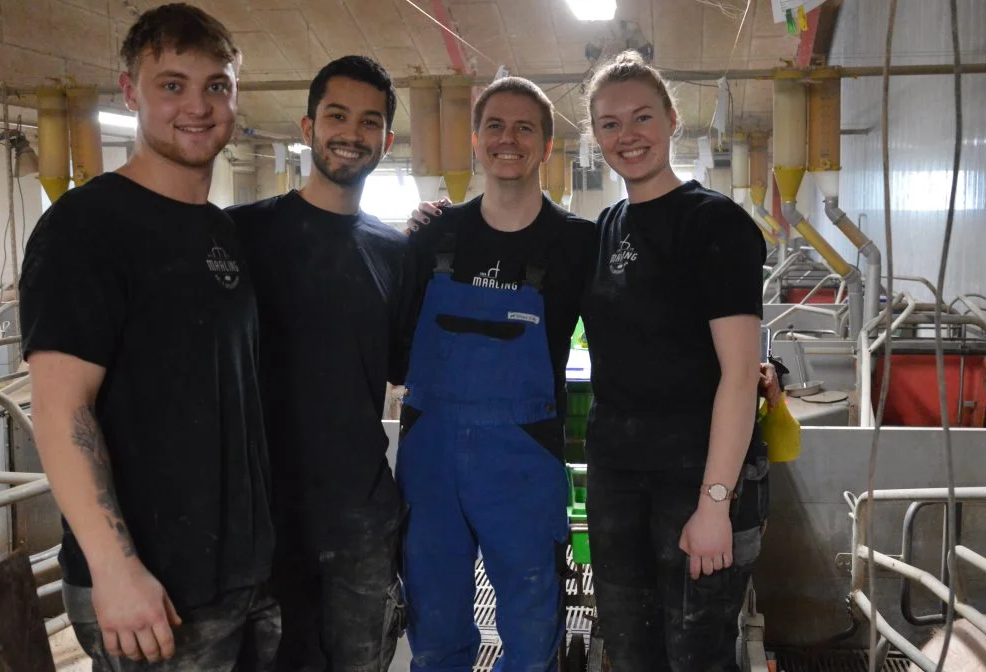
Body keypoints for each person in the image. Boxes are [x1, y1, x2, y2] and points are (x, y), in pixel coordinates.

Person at [19, 3, 278, 670]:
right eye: (172, 85)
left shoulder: (219, 230)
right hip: (153, 590)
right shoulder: (87, 227)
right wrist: (115, 570)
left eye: (215, 85)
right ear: (131, 91)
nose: (197, 105)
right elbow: (59, 407)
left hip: (239, 577)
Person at [398, 76, 596, 672]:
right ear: (475, 140)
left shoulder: (576, 244)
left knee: (532, 627)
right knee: (433, 626)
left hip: (524, 459)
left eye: (524, 128)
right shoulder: (433, 234)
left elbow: (633, 337)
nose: (508, 139)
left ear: (546, 145)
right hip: (430, 456)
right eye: (495, 126)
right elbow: (385, 344)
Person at [581, 51, 769, 671]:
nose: (626, 136)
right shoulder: (607, 226)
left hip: (694, 478)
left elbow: (742, 374)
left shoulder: (713, 223)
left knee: (698, 656)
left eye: (641, 118)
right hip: (616, 478)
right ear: (595, 136)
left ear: (671, 122)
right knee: (633, 654)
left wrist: (715, 502)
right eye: (609, 124)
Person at [227, 55, 412, 672]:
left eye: (369, 121)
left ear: (386, 140)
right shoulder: (240, 237)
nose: (351, 133)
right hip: (261, 515)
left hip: (359, 516)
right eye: (337, 115)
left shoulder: (394, 253)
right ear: (307, 126)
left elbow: (404, 369)